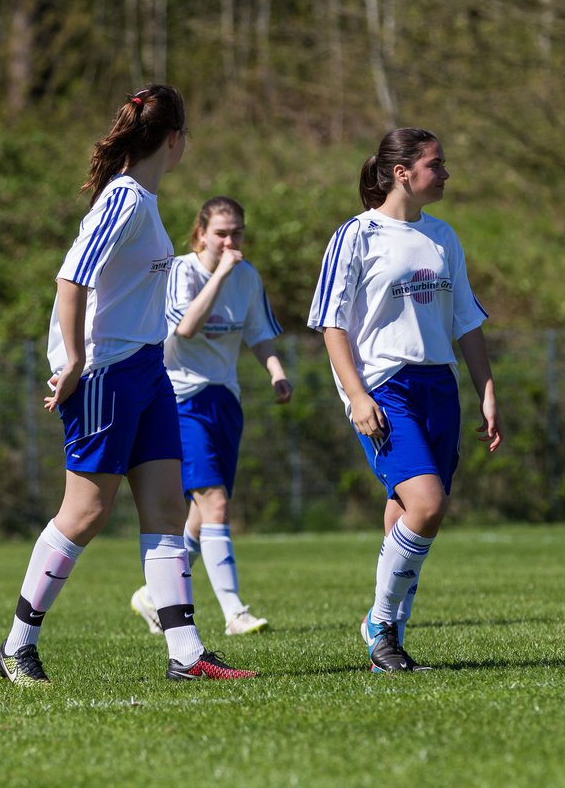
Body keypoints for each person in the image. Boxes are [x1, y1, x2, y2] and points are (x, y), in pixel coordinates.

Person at [0, 85, 257, 686]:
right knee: (85, 512)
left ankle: (186, 655)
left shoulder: (145, 200)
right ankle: (16, 647)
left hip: (146, 369)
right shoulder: (126, 199)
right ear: (174, 139)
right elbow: (70, 279)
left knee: (166, 505)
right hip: (107, 373)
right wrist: (77, 359)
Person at [306, 127, 502, 673]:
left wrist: (486, 391)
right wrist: (357, 394)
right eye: (436, 164)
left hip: (439, 387)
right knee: (428, 505)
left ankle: (388, 643)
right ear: (402, 173)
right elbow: (331, 324)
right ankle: (379, 624)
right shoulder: (356, 235)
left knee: (402, 516)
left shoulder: (443, 237)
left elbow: (468, 323)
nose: (445, 173)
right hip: (386, 388)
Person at [129, 195, 292, 637]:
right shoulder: (181, 272)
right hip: (180, 399)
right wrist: (219, 272)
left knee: (202, 514)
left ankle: (151, 594)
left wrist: (276, 372)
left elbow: (259, 332)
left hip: (225, 399)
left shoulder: (248, 276)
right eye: (220, 233)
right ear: (201, 233)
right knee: (213, 501)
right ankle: (234, 612)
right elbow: (185, 327)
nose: (229, 241)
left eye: (236, 233)